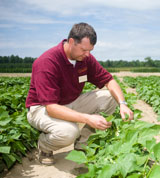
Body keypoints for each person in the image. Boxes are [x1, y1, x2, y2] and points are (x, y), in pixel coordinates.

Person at [25, 22, 133, 166]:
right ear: (71, 42)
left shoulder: (85, 58)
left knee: (110, 98)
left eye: (90, 50)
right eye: (84, 49)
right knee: (69, 132)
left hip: (70, 102)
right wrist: (88, 118)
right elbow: (51, 107)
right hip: (42, 108)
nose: (88, 54)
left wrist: (123, 104)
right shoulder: (47, 62)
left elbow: (109, 80)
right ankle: (44, 147)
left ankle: (82, 145)